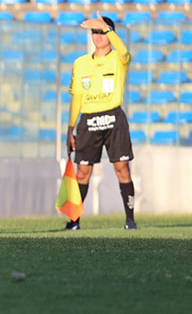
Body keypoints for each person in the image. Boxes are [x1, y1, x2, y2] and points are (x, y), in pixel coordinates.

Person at [66, 13, 137, 230]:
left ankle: (130, 220)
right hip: (88, 121)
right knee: (83, 172)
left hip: (113, 118)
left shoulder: (118, 59)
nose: (97, 36)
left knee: (122, 168)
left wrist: (107, 29)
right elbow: (77, 96)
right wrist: (70, 129)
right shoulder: (80, 63)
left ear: (110, 33)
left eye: (102, 31)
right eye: (94, 31)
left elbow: (125, 51)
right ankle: (74, 221)